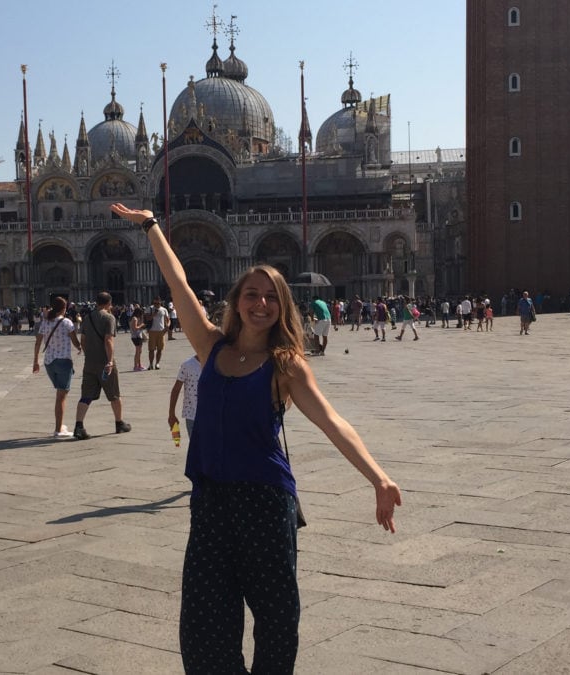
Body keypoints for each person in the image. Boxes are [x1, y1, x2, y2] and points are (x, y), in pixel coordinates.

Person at [111, 202, 400, 673]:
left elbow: (332, 422)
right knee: (203, 628)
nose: (261, 303)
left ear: (281, 306)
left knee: (276, 620)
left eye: (271, 296)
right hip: (209, 504)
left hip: (265, 505)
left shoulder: (286, 364)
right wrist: (151, 226)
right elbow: (179, 283)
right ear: (236, 301)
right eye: (252, 294)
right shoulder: (209, 345)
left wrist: (379, 479)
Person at [72, 292, 131, 440]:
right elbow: (108, 340)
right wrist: (110, 361)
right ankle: (119, 423)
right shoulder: (109, 318)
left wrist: (88, 355)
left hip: (89, 363)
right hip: (105, 363)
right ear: (108, 303)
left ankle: (79, 426)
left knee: (86, 395)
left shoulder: (87, 318)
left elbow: (83, 340)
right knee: (114, 394)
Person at [33, 297, 82, 439]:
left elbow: (37, 343)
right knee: (61, 396)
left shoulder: (45, 322)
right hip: (63, 361)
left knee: (60, 394)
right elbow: (74, 340)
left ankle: (60, 425)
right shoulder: (67, 322)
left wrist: (36, 361)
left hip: (49, 363)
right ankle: (58, 429)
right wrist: (80, 347)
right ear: (63, 308)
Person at [168, 354, 202, 441]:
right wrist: (171, 414)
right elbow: (176, 390)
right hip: (192, 416)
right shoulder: (187, 365)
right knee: (196, 448)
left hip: (212, 416)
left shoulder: (217, 364)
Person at [148, 297, 169, 370]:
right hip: (152, 331)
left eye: (158, 303)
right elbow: (147, 318)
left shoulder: (164, 309)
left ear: (160, 303)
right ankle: (150, 364)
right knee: (151, 349)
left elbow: (168, 319)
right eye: (155, 303)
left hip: (161, 331)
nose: (156, 305)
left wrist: (167, 326)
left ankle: (157, 363)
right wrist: (154, 314)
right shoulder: (150, 308)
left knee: (160, 349)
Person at [129, 305, 146, 371]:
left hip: (138, 336)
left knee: (139, 351)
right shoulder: (135, 318)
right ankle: (135, 366)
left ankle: (139, 365)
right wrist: (141, 325)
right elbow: (135, 328)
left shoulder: (135, 318)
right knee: (138, 352)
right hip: (136, 336)